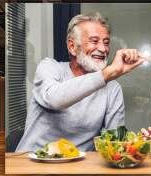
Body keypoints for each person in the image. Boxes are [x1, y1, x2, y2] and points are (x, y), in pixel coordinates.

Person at [16, 12, 144, 152]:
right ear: (72, 47)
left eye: (106, 43)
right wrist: (108, 73)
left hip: (79, 168)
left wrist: (137, 145)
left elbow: (114, 143)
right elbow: (54, 99)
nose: (103, 49)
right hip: (31, 164)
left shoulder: (112, 88)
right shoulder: (49, 67)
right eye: (94, 41)